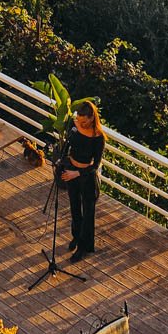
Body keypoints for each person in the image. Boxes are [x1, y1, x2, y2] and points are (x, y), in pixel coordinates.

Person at [60, 100, 105, 262]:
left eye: (84, 121)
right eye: (79, 120)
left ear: (92, 118)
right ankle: (76, 236)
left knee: (88, 213)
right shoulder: (74, 127)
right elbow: (68, 145)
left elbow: (96, 164)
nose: (81, 124)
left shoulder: (98, 138)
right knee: (74, 208)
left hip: (85, 176)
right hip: (71, 168)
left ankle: (83, 246)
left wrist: (76, 174)